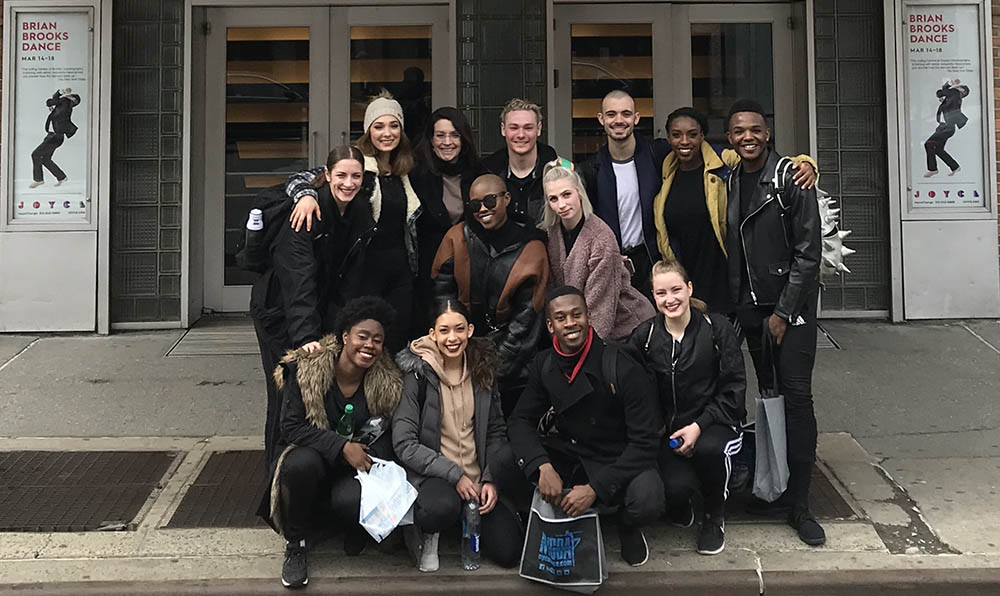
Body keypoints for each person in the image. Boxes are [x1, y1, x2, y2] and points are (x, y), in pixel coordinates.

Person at [725, 99, 825, 546]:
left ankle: (801, 505)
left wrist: (783, 312)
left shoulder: (790, 178)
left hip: (792, 310)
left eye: (754, 130)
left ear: (767, 134)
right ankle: (774, 485)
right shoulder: (727, 179)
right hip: (751, 311)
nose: (747, 136)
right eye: (738, 131)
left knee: (797, 398)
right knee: (769, 399)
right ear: (728, 138)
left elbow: (809, 252)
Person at [508, 286, 665, 567]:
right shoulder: (544, 364)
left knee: (648, 499)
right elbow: (520, 420)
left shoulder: (621, 364)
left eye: (576, 314)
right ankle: (536, 515)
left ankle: (625, 523)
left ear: (588, 317)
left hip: (615, 457)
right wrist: (542, 466)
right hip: (572, 454)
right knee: (501, 460)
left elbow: (645, 442)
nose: (570, 323)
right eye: (561, 318)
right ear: (550, 326)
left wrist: (595, 488)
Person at [250, 145, 375, 483]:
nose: (348, 183)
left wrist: (345, 328)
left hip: (318, 310)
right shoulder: (306, 211)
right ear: (327, 175)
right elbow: (298, 279)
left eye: (356, 176)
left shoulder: (359, 211)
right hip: (279, 313)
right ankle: (277, 483)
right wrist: (306, 336)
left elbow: (350, 275)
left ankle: (314, 482)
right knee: (285, 395)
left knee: (317, 398)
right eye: (341, 176)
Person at [263, 296, 402, 589]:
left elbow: (386, 435)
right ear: (345, 337)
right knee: (299, 464)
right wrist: (339, 447)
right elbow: (291, 427)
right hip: (313, 457)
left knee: (350, 500)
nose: (369, 345)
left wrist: (359, 453)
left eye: (377, 340)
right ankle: (296, 542)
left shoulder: (386, 382)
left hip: (353, 467)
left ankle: (349, 526)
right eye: (362, 337)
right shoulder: (308, 369)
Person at [393, 299, 524, 572]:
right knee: (440, 508)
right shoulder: (416, 374)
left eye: (459, 329)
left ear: (470, 330)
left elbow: (497, 430)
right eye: (444, 331)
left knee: (508, 551)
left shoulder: (482, 368)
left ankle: (467, 518)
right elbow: (405, 444)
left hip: (477, 477)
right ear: (432, 334)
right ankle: (429, 531)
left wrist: (491, 477)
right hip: (438, 476)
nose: (452, 338)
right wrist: (455, 475)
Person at [285, 92, 421, 352]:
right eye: (378, 126)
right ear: (368, 130)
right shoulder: (356, 166)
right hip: (364, 270)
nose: (387, 133)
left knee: (395, 341)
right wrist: (305, 196)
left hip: (400, 270)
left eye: (394, 125)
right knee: (363, 342)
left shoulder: (406, 171)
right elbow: (301, 178)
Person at [629, 259, 746, 555]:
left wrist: (699, 426)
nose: (670, 300)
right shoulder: (645, 336)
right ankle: (681, 501)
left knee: (709, 450)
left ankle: (713, 515)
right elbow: (634, 389)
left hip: (715, 424)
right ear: (652, 297)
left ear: (689, 288)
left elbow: (734, 390)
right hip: (670, 430)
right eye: (661, 293)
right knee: (674, 489)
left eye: (676, 290)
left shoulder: (717, 329)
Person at [653, 107, 817, 313]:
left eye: (692, 135)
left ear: (702, 136)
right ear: (668, 138)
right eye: (677, 135)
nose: (684, 142)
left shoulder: (722, 161)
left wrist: (806, 163)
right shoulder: (666, 169)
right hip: (684, 274)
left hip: (720, 275)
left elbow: (758, 156)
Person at [431, 173, 549, 417]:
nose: (482, 209)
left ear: (506, 199)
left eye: (490, 201)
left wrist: (492, 372)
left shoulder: (532, 248)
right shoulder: (455, 238)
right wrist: (457, 353)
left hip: (512, 365)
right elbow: (442, 297)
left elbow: (524, 325)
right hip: (460, 346)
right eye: (475, 205)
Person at [540, 162, 654, 340]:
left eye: (567, 194)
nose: (561, 204)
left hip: (626, 328)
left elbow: (601, 311)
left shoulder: (601, 239)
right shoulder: (549, 233)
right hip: (574, 328)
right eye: (553, 199)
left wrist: (581, 351)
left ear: (579, 192)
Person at [577, 90, 671, 297]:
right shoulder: (591, 169)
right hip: (612, 264)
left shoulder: (658, 155)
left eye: (626, 114)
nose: (619, 120)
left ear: (636, 118)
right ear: (601, 119)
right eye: (611, 114)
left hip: (652, 262)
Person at [409, 107, 487, 333]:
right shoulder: (416, 174)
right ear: (431, 140)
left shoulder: (478, 173)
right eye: (440, 135)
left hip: (469, 271)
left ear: (464, 139)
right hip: (426, 273)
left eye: (454, 135)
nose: (447, 142)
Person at [483, 98, 559, 225]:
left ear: (539, 129)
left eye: (528, 128)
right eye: (514, 128)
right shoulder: (487, 174)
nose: (521, 135)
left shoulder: (558, 172)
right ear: (503, 129)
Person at [29, 88, 81, 188]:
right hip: (52, 135)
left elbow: (50, 102)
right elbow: (51, 101)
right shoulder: (62, 104)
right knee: (46, 159)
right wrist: (60, 93)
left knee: (35, 154)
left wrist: (63, 96)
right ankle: (61, 177)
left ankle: (38, 180)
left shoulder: (67, 103)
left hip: (56, 136)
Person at [924, 80, 970, 177]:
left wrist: (951, 83)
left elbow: (939, 93)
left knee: (929, 144)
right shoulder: (954, 98)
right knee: (939, 149)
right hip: (945, 127)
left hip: (947, 128)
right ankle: (955, 167)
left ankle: (933, 169)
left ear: (960, 90)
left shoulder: (955, 93)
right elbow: (943, 93)